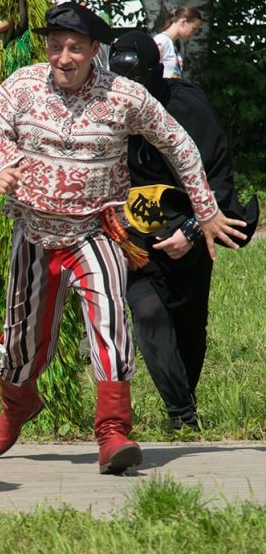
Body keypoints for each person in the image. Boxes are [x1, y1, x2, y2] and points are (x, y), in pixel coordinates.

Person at [0, 2, 246, 474]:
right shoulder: (21, 86)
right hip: (34, 234)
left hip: (95, 230)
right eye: (55, 47)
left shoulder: (122, 96)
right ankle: (17, 404)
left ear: (94, 51)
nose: (63, 57)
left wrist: (205, 212)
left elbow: (178, 143)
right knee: (21, 343)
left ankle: (113, 431)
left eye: (75, 48)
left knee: (110, 323)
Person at [109, 31, 259, 430]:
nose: (131, 95)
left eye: (138, 83)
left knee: (189, 323)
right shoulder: (104, 105)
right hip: (132, 232)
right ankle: (182, 415)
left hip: (189, 219)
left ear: (155, 74)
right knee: (147, 309)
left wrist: (192, 230)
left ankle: (184, 400)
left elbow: (217, 174)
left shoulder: (188, 106)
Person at [153, 6, 202, 79]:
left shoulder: (175, 44)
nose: (194, 33)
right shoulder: (162, 40)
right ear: (183, 22)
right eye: (194, 29)